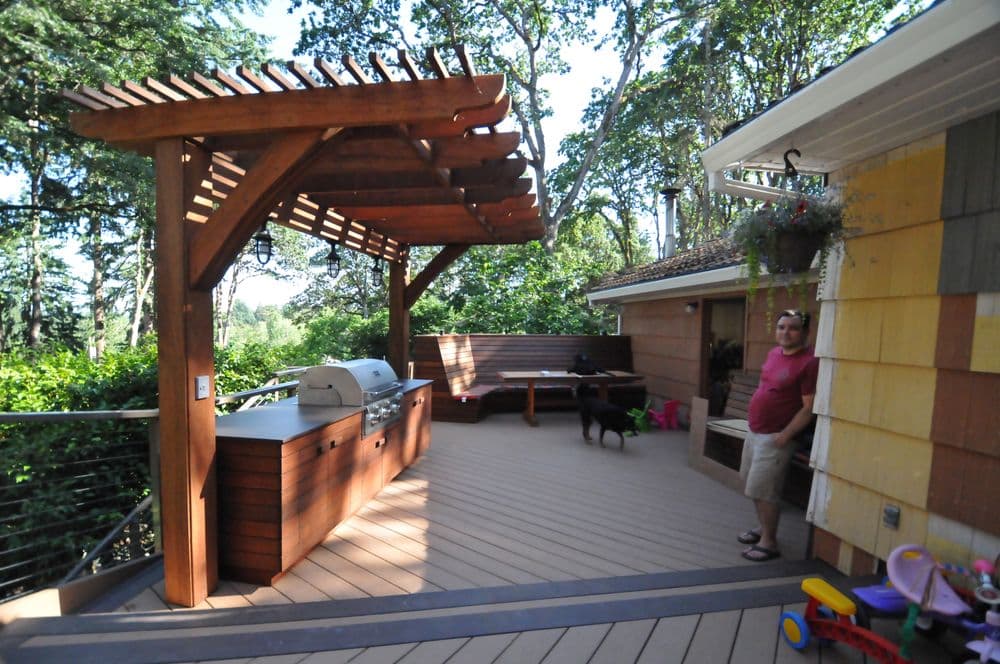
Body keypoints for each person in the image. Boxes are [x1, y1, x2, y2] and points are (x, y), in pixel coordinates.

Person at [738, 309, 819, 562]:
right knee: (754, 486)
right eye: (781, 327)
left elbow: (809, 408)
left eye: (793, 328)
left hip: (775, 437)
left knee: (765, 491)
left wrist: (785, 435)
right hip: (756, 430)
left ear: (805, 332)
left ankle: (769, 542)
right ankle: (763, 527)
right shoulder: (774, 353)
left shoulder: (809, 363)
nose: (786, 332)